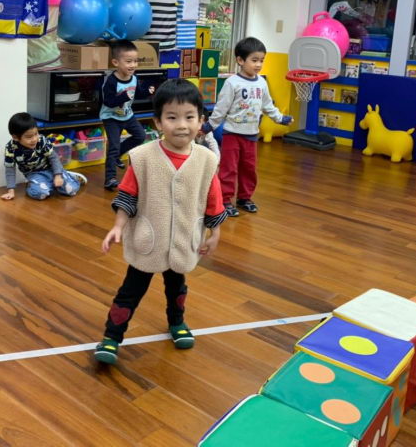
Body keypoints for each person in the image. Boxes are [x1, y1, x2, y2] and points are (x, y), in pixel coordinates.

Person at [94, 79, 226, 365]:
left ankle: (177, 322)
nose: (182, 125)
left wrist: (215, 231)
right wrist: (118, 226)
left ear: (200, 120)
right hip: (148, 240)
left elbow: (213, 198)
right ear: (157, 122)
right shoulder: (142, 157)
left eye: (189, 117)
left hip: (184, 239)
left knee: (177, 286)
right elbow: (127, 195)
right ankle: (111, 337)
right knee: (130, 291)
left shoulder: (206, 160)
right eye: (172, 117)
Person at [203, 37, 292, 217]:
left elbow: (268, 105)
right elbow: (221, 108)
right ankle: (225, 199)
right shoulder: (232, 83)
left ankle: (245, 198)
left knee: (249, 169)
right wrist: (209, 126)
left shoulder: (261, 83)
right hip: (232, 135)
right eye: (254, 60)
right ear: (240, 60)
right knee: (229, 169)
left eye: (261, 60)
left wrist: (280, 118)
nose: (258, 64)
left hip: (251, 135)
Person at [101, 41, 154, 190]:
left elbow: (138, 93)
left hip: (127, 115)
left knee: (140, 136)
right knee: (113, 146)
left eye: (135, 61)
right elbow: (108, 101)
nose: (133, 65)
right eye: (129, 61)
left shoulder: (134, 78)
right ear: (116, 62)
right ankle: (110, 179)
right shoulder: (111, 81)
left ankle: (117, 155)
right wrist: (123, 97)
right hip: (111, 118)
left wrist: (147, 91)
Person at [1, 112, 87, 201]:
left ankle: (67, 176)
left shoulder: (42, 140)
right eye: (29, 137)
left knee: (71, 190)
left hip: (51, 169)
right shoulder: (10, 148)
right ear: (15, 137)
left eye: (36, 134)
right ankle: (40, 184)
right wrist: (11, 191)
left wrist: (58, 175)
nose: (34, 139)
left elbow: (54, 158)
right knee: (40, 194)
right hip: (34, 174)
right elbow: (10, 170)